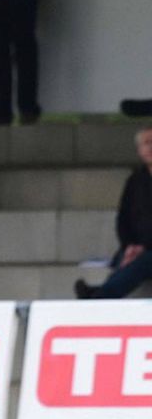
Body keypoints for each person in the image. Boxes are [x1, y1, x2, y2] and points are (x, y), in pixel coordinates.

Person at [75, 127, 152, 299]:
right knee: (124, 258)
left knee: (144, 260)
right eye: (146, 143)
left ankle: (101, 294)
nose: (150, 147)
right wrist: (129, 246)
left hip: (148, 250)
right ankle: (102, 293)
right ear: (140, 150)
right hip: (137, 247)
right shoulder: (135, 180)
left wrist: (143, 247)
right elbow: (123, 219)